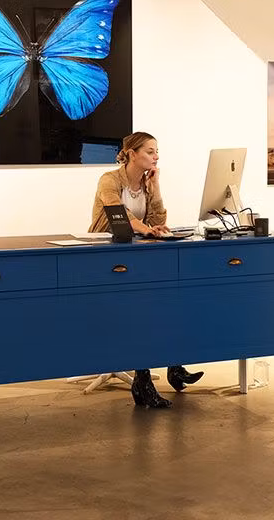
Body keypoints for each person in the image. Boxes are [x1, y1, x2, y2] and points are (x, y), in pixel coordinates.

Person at [89, 131, 204, 408]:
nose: (156, 156)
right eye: (150, 151)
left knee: (169, 301)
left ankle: (174, 367)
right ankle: (143, 382)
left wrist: (158, 188)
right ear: (131, 153)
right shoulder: (110, 180)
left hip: (135, 254)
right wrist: (147, 230)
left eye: (157, 151)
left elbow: (158, 218)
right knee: (141, 311)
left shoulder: (147, 182)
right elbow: (119, 214)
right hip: (105, 257)